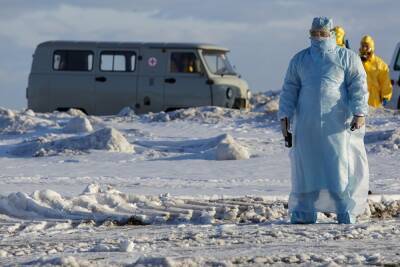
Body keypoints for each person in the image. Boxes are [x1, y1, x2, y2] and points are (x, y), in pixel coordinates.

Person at [278, 17, 369, 224]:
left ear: (331, 34)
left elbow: (359, 87)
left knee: (338, 165)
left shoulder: (346, 57)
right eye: (314, 32)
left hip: (336, 124)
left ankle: (344, 210)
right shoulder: (300, 60)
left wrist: (359, 112)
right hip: (306, 123)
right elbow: (289, 90)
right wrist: (284, 117)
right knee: (306, 166)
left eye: (322, 33)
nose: (317, 37)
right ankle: (303, 211)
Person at [359, 35, 392, 107]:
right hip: (358, 101)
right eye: (363, 46)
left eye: (367, 46)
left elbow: (385, 82)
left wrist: (385, 96)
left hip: (374, 103)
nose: (364, 49)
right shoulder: (356, 62)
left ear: (371, 48)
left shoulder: (380, 65)